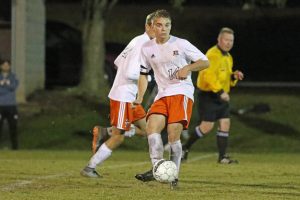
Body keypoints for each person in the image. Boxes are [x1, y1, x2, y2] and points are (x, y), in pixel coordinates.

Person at [134, 10, 209, 188]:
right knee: (152, 129)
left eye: (167, 25)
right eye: (159, 25)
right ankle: (157, 168)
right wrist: (139, 96)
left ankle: (173, 176)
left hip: (182, 92)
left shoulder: (181, 44)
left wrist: (188, 68)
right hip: (162, 94)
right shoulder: (146, 48)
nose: (163, 29)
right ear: (152, 27)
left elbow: (205, 62)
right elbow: (143, 75)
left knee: (173, 134)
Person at [80, 12, 156, 178]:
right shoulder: (142, 44)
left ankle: (105, 131)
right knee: (118, 138)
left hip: (131, 97)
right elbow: (129, 72)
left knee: (148, 130)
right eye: (156, 25)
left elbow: (117, 62)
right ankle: (89, 167)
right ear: (148, 26)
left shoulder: (138, 40)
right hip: (123, 97)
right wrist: (148, 78)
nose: (160, 30)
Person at [181, 27, 244, 164]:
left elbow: (224, 78)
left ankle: (222, 157)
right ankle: (185, 148)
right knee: (206, 127)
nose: (228, 43)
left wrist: (234, 76)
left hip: (221, 96)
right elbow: (208, 76)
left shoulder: (228, 57)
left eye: (231, 40)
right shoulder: (212, 54)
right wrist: (220, 92)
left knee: (225, 123)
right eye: (226, 40)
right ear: (219, 40)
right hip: (209, 96)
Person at [0, 59, 19, 150]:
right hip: (1, 105)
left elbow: (14, 87)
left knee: (13, 127)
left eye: (7, 65)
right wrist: (5, 87)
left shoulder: (13, 77)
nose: (6, 67)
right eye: (4, 65)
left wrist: (6, 85)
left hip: (11, 106)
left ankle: (15, 148)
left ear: (10, 67)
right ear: (1, 66)